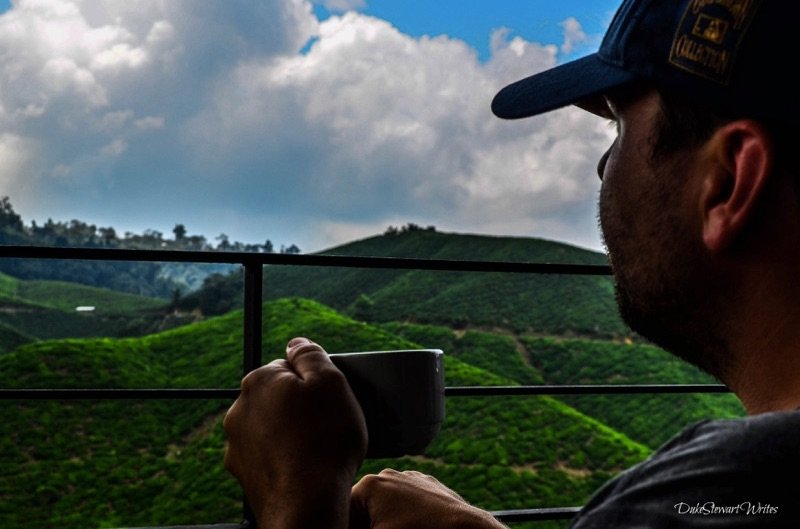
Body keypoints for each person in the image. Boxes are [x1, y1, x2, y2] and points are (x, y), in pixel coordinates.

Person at [223, 0, 800, 526]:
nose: (603, 169)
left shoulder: (716, 493)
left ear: (727, 182)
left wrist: (293, 504)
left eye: (619, 128)